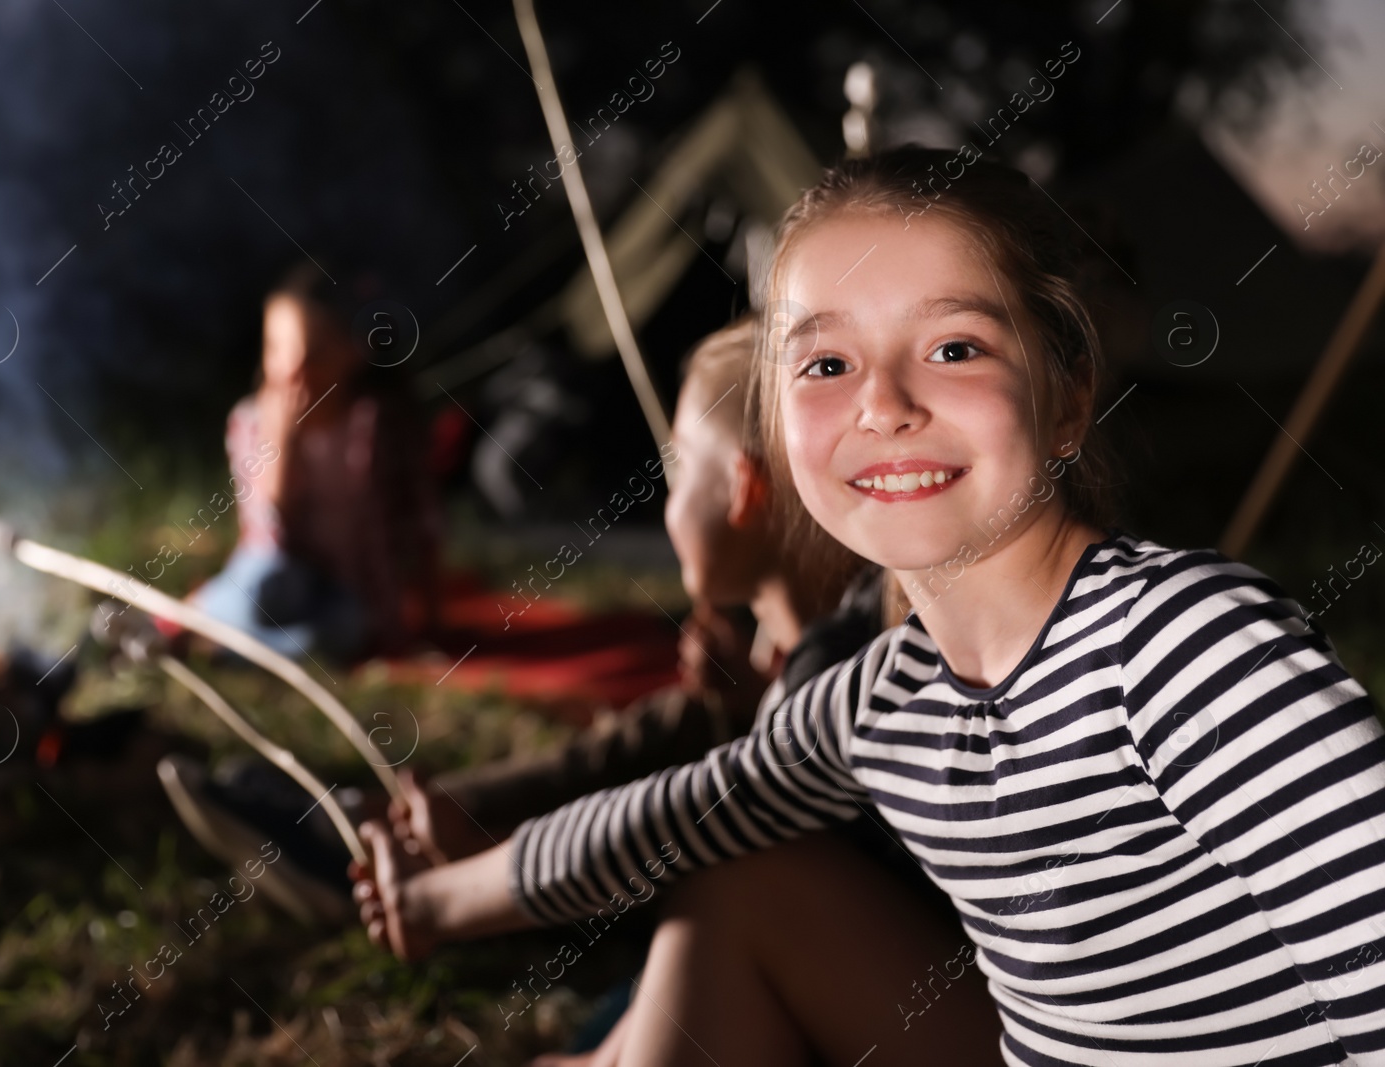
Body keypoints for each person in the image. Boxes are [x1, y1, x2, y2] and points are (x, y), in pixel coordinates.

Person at [352, 146, 1385, 1066]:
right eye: (826, 363)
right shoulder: (882, 696)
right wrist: (440, 899)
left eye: (954, 347)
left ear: (1067, 397)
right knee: (742, 886)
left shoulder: (1181, 645)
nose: (881, 403)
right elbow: (665, 819)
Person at [394, 314, 874, 863]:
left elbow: (708, 824)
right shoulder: (822, 646)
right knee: (685, 718)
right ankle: (460, 812)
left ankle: (487, 854)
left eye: (680, 466)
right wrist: (747, 691)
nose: (669, 500)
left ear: (745, 491)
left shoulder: (833, 679)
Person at [187, 263, 439, 663]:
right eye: (276, 349)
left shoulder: (377, 425)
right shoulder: (250, 423)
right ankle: (214, 621)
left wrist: (429, 614)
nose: (292, 368)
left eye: (314, 351)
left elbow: (421, 522)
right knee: (264, 588)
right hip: (277, 574)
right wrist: (282, 440)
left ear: (355, 350)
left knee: (345, 629)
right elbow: (267, 527)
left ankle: (225, 639)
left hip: (344, 590)